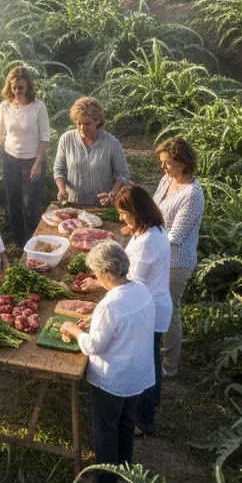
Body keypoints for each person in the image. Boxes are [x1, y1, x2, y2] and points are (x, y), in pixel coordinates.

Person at [60, 240, 155, 483]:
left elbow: (93, 346)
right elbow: (126, 323)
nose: (94, 277)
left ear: (104, 272)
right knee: (126, 424)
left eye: (95, 272)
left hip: (114, 378)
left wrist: (75, 330)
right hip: (137, 374)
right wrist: (94, 319)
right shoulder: (141, 290)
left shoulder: (110, 305)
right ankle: (124, 471)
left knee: (106, 429)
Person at [77, 184, 171, 436]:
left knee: (147, 362)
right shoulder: (152, 230)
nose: (120, 218)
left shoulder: (149, 241)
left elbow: (131, 279)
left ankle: (145, 420)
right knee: (149, 359)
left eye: (123, 213)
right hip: (151, 302)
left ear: (136, 211)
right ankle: (150, 408)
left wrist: (100, 281)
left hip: (148, 306)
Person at [152, 137, 204, 379]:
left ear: (184, 162)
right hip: (159, 255)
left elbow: (176, 236)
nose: (164, 167)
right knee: (158, 306)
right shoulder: (167, 180)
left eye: (168, 163)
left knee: (171, 311)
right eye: (162, 162)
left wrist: (145, 233)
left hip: (176, 262)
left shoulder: (192, 194)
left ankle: (169, 365)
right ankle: (155, 351)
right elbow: (154, 210)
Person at [0, 67, 51, 246]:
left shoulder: (38, 107)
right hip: (10, 159)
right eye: (14, 87)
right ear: (9, 87)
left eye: (21, 87)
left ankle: (32, 242)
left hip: (32, 160)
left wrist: (38, 163)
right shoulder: (5, 106)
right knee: (14, 203)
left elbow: (45, 138)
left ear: (28, 87)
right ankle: (19, 242)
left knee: (30, 204)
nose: (17, 91)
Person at [53, 96, 130, 207]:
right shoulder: (66, 139)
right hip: (73, 205)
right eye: (79, 123)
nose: (82, 128)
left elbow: (122, 174)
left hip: (102, 206)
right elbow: (58, 170)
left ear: (97, 121)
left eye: (87, 123)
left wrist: (113, 193)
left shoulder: (111, 143)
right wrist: (61, 189)